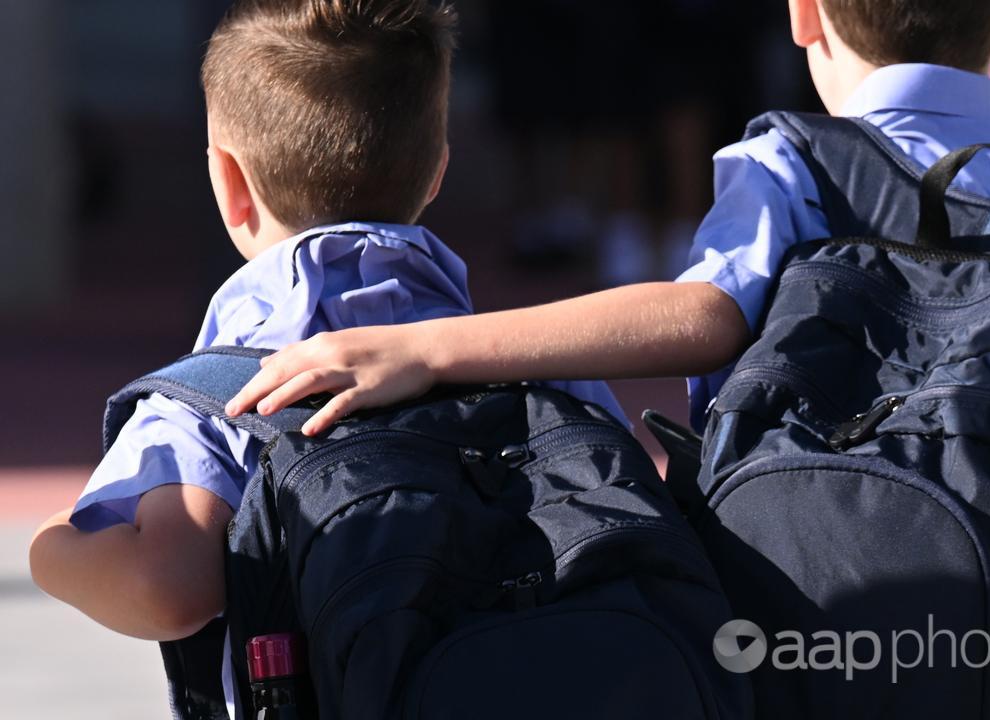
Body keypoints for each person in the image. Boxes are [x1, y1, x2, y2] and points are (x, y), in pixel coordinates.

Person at [227, 0, 990, 697]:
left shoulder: (794, 167)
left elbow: (702, 318)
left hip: (801, 660)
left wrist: (434, 347)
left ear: (801, 14)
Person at [27, 1, 623, 717]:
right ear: (436, 171)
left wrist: (50, 551)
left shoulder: (227, 385)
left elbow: (169, 589)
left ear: (229, 183)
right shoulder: (534, 360)